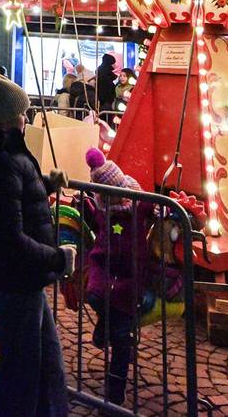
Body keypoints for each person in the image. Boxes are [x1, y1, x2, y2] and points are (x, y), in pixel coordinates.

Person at [0, 70, 75, 417]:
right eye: (21, 112)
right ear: (7, 118)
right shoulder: (1, 160)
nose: (25, 117)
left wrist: (47, 185)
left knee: (47, 365)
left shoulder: (5, 153)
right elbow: (9, 234)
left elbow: (16, 199)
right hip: (17, 279)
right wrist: (57, 258)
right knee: (20, 373)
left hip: (25, 280)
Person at [83, 147, 153, 405]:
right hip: (106, 269)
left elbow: (157, 209)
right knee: (97, 297)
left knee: (122, 338)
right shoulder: (105, 209)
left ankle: (115, 391)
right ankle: (105, 328)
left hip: (127, 278)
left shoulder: (137, 203)